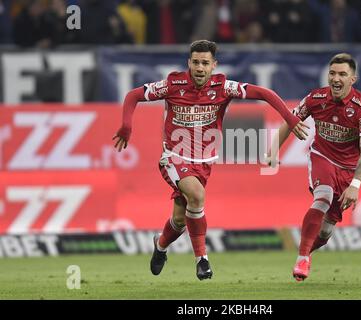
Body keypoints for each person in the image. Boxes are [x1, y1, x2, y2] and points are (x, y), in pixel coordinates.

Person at [113, 40, 309, 280]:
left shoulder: (224, 87)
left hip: (204, 162)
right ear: (189, 63)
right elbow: (134, 95)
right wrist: (126, 125)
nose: (199, 67)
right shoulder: (172, 84)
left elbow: (265, 93)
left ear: (213, 65)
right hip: (173, 157)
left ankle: (161, 245)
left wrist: (290, 119)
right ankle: (202, 260)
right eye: (195, 62)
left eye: (205, 63)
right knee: (196, 195)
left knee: (179, 219)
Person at [267, 53, 361, 281]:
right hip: (322, 157)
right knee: (323, 197)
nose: (336, 79)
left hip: (348, 170)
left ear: (353, 79)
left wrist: (355, 185)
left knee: (326, 232)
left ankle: (308, 252)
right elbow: (291, 119)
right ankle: (302, 258)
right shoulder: (316, 98)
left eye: (342, 74)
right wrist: (273, 150)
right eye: (333, 73)